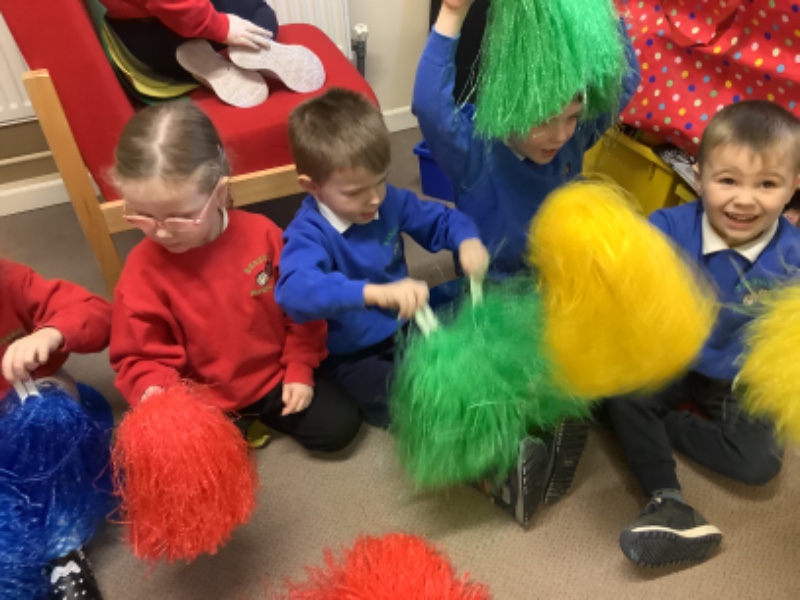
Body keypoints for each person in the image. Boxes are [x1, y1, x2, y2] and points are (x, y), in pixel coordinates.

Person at [410, 0, 640, 526]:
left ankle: (545, 434)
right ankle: (503, 468)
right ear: (506, 100)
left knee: (586, 357)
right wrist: (450, 16)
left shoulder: (571, 140)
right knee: (483, 383)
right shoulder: (474, 148)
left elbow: (623, 80)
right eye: (543, 121)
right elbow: (427, 106)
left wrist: (607, 14)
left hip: (555, 285)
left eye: (572, 117)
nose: (559, 135)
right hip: (493, 295)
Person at [607, 100, 800, 568]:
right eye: (727, 180)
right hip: (668, 358)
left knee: (759, 464)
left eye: (767, 185)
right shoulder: (667, 227)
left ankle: (668, 423)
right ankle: (666, 498)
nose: (744, 200)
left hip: (737, 377)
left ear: (794, 186)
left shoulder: (793, 257)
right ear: (699, 175)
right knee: (613, 385)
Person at [108, 100, 361, 454]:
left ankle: (256, 420)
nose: (161, 231)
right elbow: (138, 354)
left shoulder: (263, 234)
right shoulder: (141, 269)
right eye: (143, 215)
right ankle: (234, 430)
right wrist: (155, 390)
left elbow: (303, 310)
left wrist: (299, 368)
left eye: (181, 216)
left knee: (340, 427)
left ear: (220, 190)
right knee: (183, 461)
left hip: (275, 378)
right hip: (203, 399)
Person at [274, 87, 489, 430]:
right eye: (355, 192)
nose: (374, 199)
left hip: (406, 324)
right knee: (413, 399)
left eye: (381, 182)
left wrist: (467, 241)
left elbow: (441, 220)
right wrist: (374, 293)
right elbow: (294, 292)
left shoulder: (389, 202)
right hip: (352, 354)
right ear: (312, 187)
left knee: (468, 352)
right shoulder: (308, 233)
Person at [1, 258, 113, 598]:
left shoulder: (10, 279)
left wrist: (52, 333)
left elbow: (95, 312)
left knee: (48, 416)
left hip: (30, 417)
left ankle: (62, 548)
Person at [100, 0, 324, 107]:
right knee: (260, 11)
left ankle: (207, 64)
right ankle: (251, 46)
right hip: (164, 33)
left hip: (144, 43)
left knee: (185, 54)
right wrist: (220, 27)